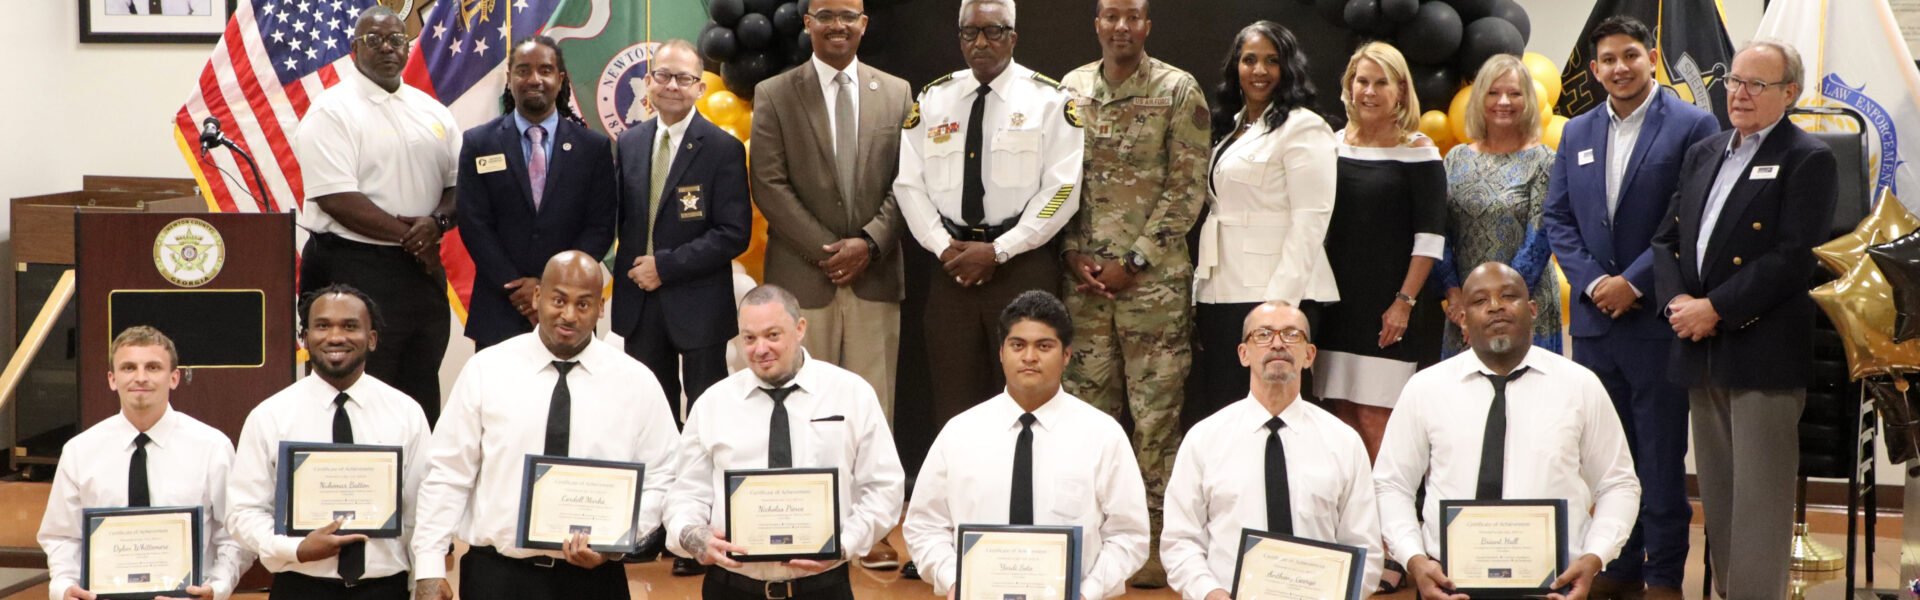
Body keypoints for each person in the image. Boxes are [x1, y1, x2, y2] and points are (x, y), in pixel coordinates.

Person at [1649, 40, 1838, 599]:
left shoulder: (1809, 157)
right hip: (1699, 346)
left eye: (1757, 84)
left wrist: (1717, 309)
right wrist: (1678, 304)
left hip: (1761, 350)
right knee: (1722, 499)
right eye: (1734, 81)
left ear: (1789, 94)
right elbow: (1666, 239)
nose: (1740, 94)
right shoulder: (1705, 150)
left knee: (1759, 503)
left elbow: (1793, 258)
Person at [1540, 17, 1720, 600]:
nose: (1620, 67)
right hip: (1595, 325)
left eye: (1630, 56)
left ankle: (1664, 573)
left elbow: (1688, 219)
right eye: (1608, 59)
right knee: (1605, 460)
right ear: (1594, 71)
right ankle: (1617, 565)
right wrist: (1594, 284)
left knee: (1661, 459)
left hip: (1656, 320)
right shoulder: (1576, 132)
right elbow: (1557, 219)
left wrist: (1633, 283)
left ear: (1652, 58)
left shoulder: (1694, 124)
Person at [747, 2, 915, 569]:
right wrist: (830, 252)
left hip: (874, 275)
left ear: (865, 23)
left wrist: (868, 243)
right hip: (803, 280)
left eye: (848, 14)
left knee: (872, 414)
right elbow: (767, 184)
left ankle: (872, 533)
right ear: (807, 23)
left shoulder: (897, 92)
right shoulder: (773, 93)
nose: (837, 25)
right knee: (799, 410)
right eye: (825, 14)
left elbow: (909, 182)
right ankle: (799, 524)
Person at [411, 251, 681, 600]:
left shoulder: (636, 382)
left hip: (595, 579)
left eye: (584, 304)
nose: (568, 315)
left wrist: (615, 542)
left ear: (601, 308)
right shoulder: (487, 370)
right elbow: (447, 472)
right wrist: (430, 565)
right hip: (499, 577)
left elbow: (665, 474)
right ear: (537, 298)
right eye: (558, 300)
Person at [1056, 0, 1209, 588]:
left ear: (1148, 26)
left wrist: (1136, 260)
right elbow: (1058, 178)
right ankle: (1093, 539)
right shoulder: (1070, 88)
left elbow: (1187, 186)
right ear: (1097, 24)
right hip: (1083, 287)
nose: (1122, 27)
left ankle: (1154, 546)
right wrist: (1070, 251)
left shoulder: (1177, 90)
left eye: (1133, 17)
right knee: (1087, 418)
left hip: (1155, 289)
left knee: (1155, 421)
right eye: (1111, 16)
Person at [1375, 263, 1640, 600]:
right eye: (1480, 300)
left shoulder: (1580, 386)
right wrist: (1413, 559)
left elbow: (1618, 484)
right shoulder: (1425, 388)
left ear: (1532, 310)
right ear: (1462, 317)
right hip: (1447, 584)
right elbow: (1391, 484)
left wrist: (1595, 556)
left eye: (1509, 296)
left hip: (1555, 586)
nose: (1496, 306)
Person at [893, 0, 1085, 432]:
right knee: (953, 399)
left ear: (1013, 37)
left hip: (1022, 264)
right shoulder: (933, 99)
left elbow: (1063, 191)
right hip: (951, 265)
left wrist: (1000, 250)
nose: (980, 42)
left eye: (993, 31)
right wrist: (944, 248)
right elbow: (908, 185)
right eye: (969, 32)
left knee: (1030, 395)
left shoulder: (1048, 101)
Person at [903, 290, 1149, 600]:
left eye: (1044, 346)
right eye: (1018, 345)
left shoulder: (1102, 435)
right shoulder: (960, 433)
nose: (1029, 357)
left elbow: (1129, 536)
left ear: (1067, 355)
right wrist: (954, 581)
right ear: (1001, 353)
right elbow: (924, 525)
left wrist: (1087, 592)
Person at [666, 284, 906, 599]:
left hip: (824, 587)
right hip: (731, 587)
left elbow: (884, 487)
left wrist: (844, 544)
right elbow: (684, 494)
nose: (760, 348)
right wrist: (695, 537)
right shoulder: (713, 404)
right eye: (749, 338)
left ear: (800, 328)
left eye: (773, 335)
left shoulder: (851, 394)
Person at [291, 5, 460, 424]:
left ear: (407, 48)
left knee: (420, 389)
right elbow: (336, 198)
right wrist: (413, 237)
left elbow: (460, 186)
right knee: (352, 389)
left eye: (396, 40)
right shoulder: (332, 110)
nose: (386, 47)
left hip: (420, 270)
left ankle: (412, 486)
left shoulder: (433, 111)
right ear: (353, 50)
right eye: (374, 40)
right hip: (352, 266)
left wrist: (435, 224)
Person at [1162, 301, 1383, 600]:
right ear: (1243, 354)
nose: (1278, 343)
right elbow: (1180, 542)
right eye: (1263, 334)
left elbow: (1364, 548)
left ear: (1309, 355)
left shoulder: (1344, 442)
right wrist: (1209, 592)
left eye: (1292, 334)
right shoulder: (1204, 440)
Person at [227, 285, 432, 599]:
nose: (336, 337)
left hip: (385, 588)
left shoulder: (406, 413)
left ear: (372, 339)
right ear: (305, 338)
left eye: (350, 326)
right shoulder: (269, 416)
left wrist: (426, 576)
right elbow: (243, 513)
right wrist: (297, 548)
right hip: (300, 585)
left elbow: (424, 510)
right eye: (322, 326)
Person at [1189, 20, 1337, 419]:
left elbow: (1311, 221)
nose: (1259, 70)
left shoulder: (1304, 126)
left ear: (1287, 68)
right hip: (1222, 292)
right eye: (1249, 59)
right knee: (1226, 411)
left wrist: (1280, 308)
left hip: (1274, 294)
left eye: (1272, 61)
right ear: (1235, 67)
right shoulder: (1233, 128)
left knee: (1273, 413)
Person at [39, 326, 253, 600]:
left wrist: (215, 589)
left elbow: (235, 535)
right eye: (128, 368)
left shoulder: (213, 447)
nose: (141, 377)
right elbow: (61, 536)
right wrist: (64, 587)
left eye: (153, 367)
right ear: (112, 379)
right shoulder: (79, 451)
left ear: (174, 378)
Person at [1316, 41, 1447, 460]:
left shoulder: (1419, 150)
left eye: (1380, 83)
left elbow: (1429, 239)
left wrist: (1404, 303)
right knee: (1339, 419)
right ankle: (1352, 522)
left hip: (1388, 311)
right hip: (1334, 307)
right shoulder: (1330, 145)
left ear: (1401, 91)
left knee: (1377, 423)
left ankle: (1388, 524)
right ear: (1349, 86)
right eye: (1361, 81)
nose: (1368, 91)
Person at [612, 39, 752, 431]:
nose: (672, 85)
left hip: (700, 306)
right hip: (640, 306)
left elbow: (734, 233)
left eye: (684, 78)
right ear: (649, 81)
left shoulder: (723, 148)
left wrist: (666, 267)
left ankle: (705, 493)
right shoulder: (629, 143)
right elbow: (621, 221)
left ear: (700, 87)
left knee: (708, 422)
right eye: (663, 75)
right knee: (650, 421)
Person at [457, 35, 617, 351]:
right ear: (509, 78)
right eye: (523, 70)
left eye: (545, 70)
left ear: (560, 80)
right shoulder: (479, 143)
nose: (534, 79)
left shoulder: (593, 148)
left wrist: (552, 289)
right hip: (500, 306)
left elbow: (600, 227)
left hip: (569, 311)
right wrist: (519, 289)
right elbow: (474, 224)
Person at [1436, 54, 1560, 357]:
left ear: (1528, 100)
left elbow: (1539, 241)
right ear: (1479, 99)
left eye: (1514, 93)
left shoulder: (1543, 160)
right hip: (1463, 313)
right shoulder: (1455, 159)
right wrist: (1457, 301)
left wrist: (1495, 306)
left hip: (1525, 308)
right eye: (1493, 92)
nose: (1503, 101)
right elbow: (1439, 234)